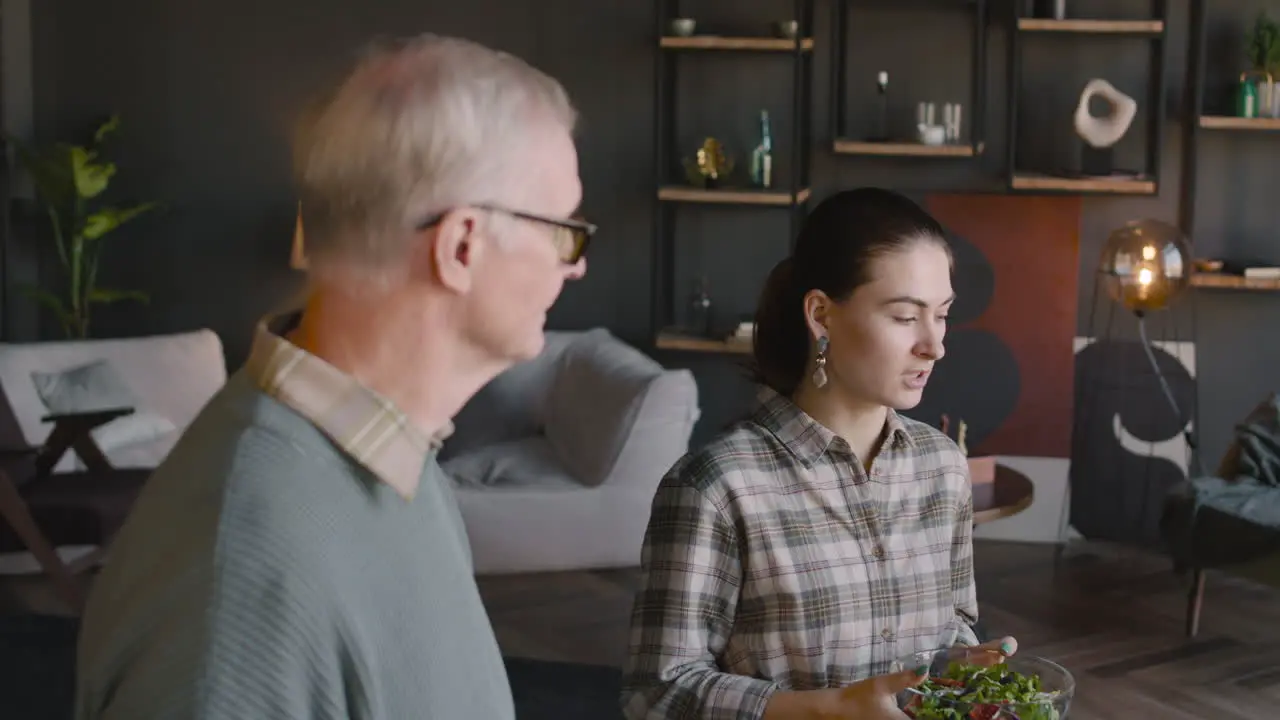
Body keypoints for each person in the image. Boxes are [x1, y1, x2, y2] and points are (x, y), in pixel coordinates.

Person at [74, 33, 592, 720]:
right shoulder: (239, 591)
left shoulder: (396, 456)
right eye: (564, 232)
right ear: (461, 246)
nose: (576, 265)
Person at [619, 187, 1016, 720]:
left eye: (941, 315)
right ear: (822, 314)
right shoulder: (716, 487)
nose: (934, 345)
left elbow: (953, 629)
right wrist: (828, 709)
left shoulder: (942, 466)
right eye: (905, 317)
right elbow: (657, 695)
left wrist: (965, 665)